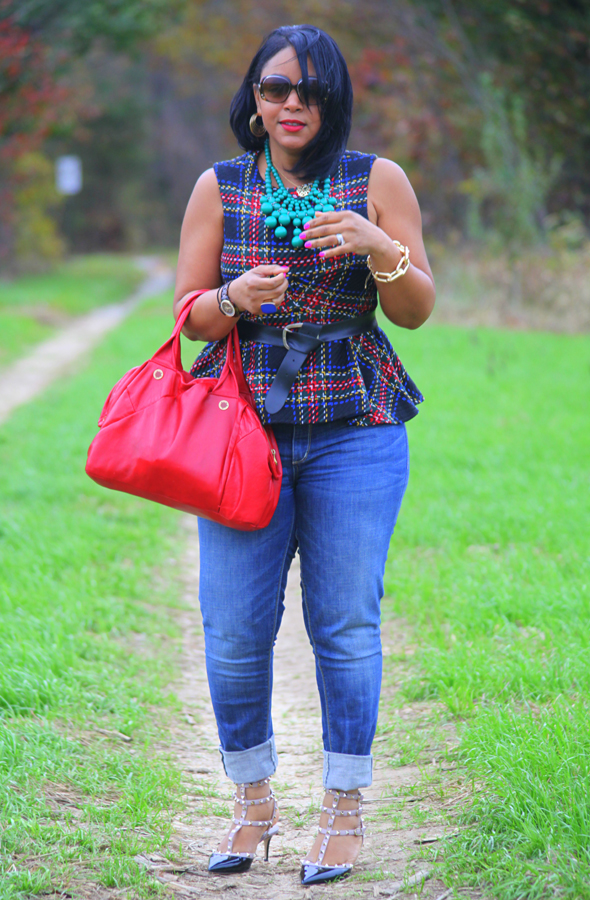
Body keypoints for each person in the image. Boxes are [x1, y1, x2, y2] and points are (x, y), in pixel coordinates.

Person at [173, 24, 435, 886]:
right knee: (236, 634)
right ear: (253, 96)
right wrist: (232, 298)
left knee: (347, 627)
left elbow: (417, 309)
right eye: (276, 88)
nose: (293, 105)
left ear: (333, 99)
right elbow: (186, 319)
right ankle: (252, 805)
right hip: (243, 434)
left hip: (356, 430)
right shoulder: (220, 187)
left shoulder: (377, 180)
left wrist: (378, 246)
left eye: (311, 91)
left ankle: (344, 809)